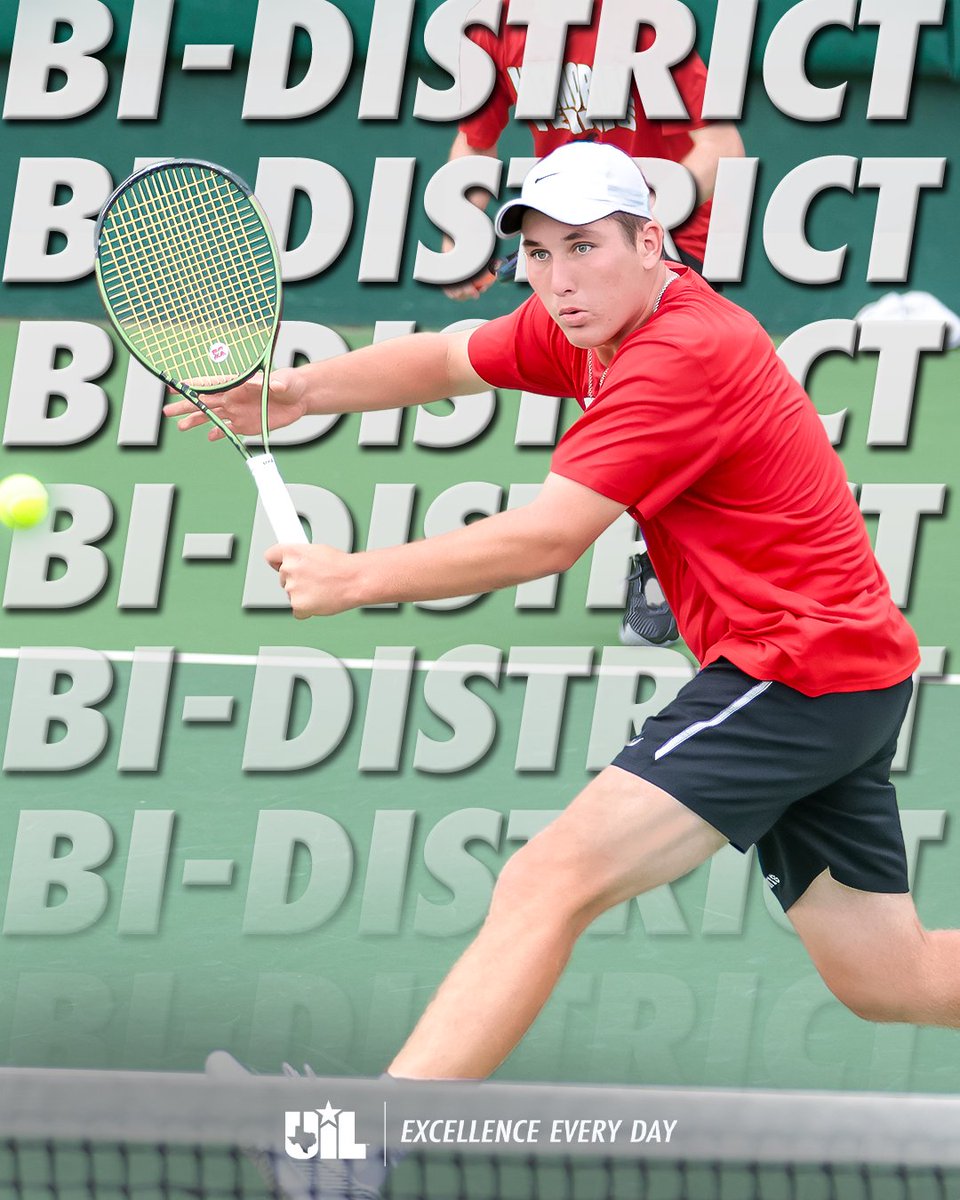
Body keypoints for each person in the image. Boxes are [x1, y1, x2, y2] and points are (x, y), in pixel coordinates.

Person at [168, 143, 957, 1200]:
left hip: (796, 669)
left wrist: (356, 578)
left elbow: (545, 539)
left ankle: (356, 1145)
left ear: (651, 243)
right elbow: (448, 360)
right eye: (539, 254)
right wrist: (298, 390)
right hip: (839, 670)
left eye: (585, 247)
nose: (560, 277)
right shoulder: (583, 318)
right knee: (888, 978)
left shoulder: (682, 356)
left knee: (550, 879)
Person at [441, 0, 745, 648]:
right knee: (606, 392)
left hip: (665, 230)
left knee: (654, 395)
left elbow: (721, 144)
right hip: (569, 233)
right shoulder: (495, 28)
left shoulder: (646, 25)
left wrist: (627, 221)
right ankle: (665, 554)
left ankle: (674, 562)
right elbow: (474, 140)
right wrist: (463, 223)